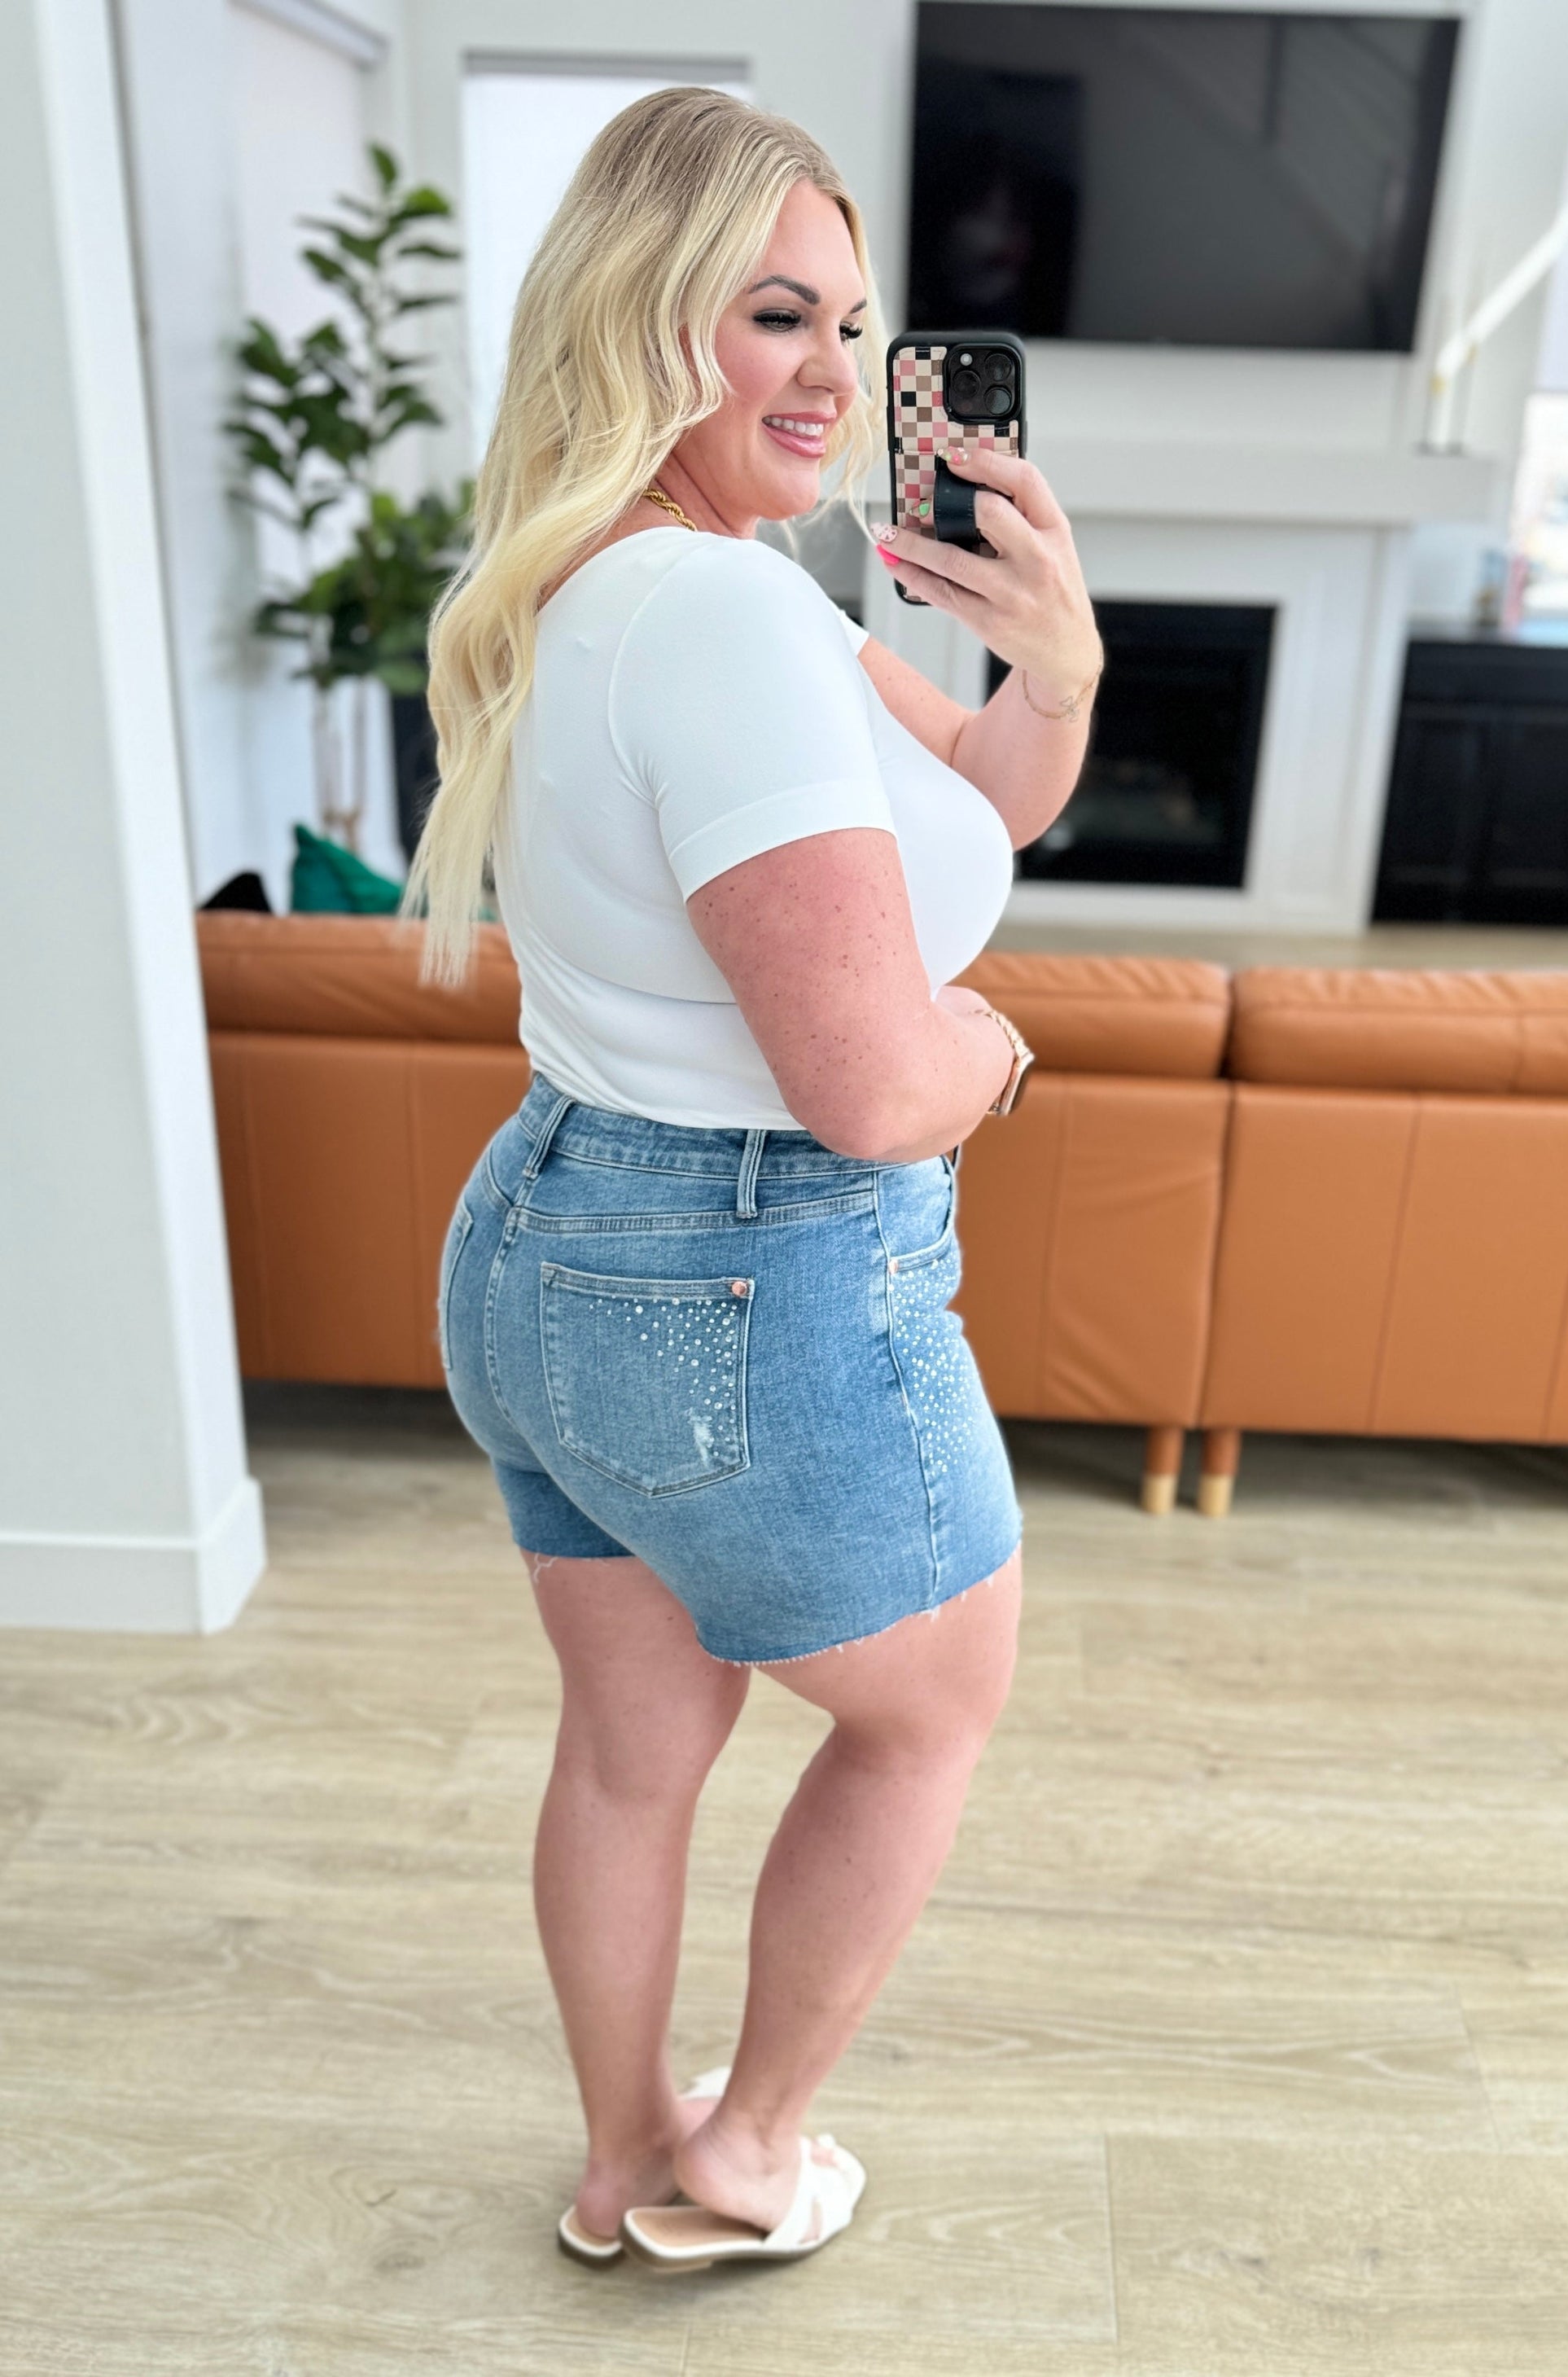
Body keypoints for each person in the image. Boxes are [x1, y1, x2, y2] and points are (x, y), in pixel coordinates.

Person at [405, 86, 1103, 2274]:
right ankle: (749, 2147)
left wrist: (1057, 656)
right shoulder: (717, 618)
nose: (831, 372)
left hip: (550, 1240)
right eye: (774, 314)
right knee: (929, 1712)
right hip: (741, 1267)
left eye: (853, 326)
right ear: (643, 312)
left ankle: (624, 2155)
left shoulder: (621, 581)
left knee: (636, 1743)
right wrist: (999, 1052)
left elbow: (985, 792)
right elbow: (881, 1088)